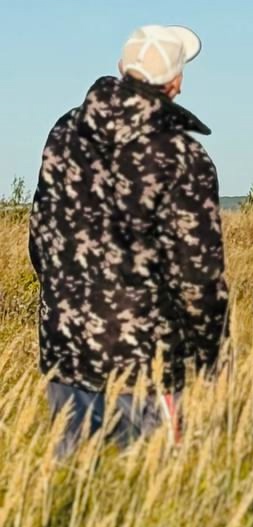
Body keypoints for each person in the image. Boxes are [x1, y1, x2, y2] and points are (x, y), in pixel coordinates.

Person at [29, 25, 228, 455]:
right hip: (146, 362)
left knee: (76, 488)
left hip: (66, 349)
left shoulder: (64, 135)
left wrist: (62, 303)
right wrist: (210, 358)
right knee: (151, 491)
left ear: (122, 69)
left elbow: (40, 237)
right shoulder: (182, 156)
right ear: (175, 83)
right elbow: (199, 275)